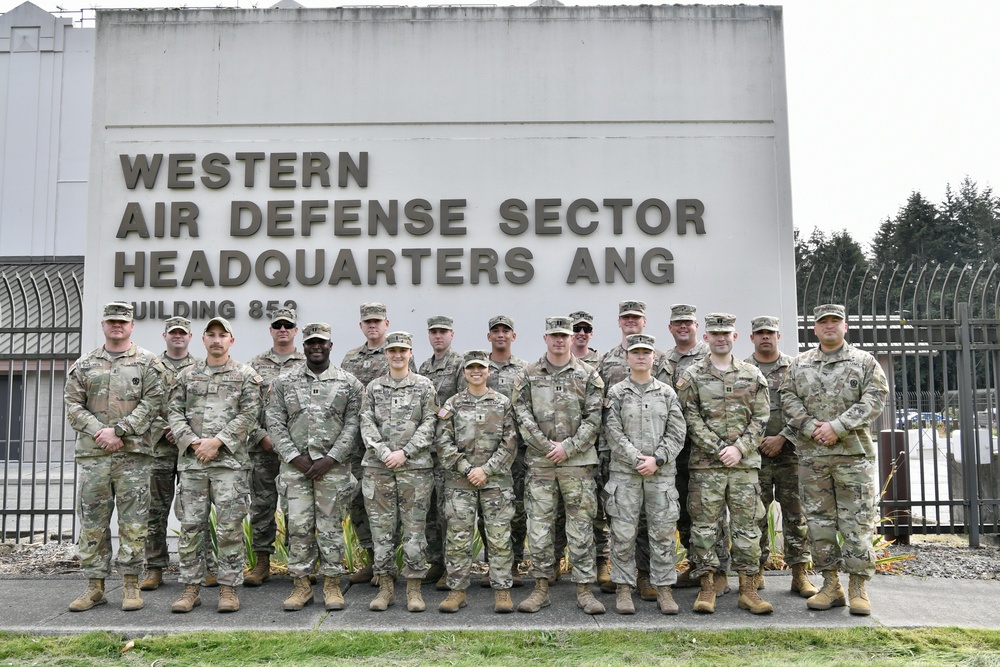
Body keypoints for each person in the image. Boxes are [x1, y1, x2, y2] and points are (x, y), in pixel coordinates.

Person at [780, 304, 888, 616]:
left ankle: (858, 587)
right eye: (823, 322)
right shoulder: (799, 364)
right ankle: (830, 585)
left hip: (853, 457)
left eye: (835, 321)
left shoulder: (864, 362)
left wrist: (837, 427)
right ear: (814, 329)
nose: (829, 326)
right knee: (819, 524)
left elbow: (876, 397)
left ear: (845, 326)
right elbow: (787, 398)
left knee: (857, 522)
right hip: (813, 457)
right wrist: (813, 428)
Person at [64, 302, 164, 612]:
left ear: (132, 326)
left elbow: (153, 403)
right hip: (95, 456)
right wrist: (101, 432)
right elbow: (73, 406)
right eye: (111, 322)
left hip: (133, 457)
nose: (117, 326)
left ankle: (131, 585)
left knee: (133, 523)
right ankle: (95, 587)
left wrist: (119, 430)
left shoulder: (148, 363)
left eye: (122, 322)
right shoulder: (84, 364)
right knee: (93, 523)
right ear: (103, 325)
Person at [675, 313, 772, 615]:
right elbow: (688, 417)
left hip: (743, 466)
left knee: (747, 527)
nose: (720, 337)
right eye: (714, 333)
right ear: (705, 338)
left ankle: (748, 589)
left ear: (735, 337)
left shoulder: (752, 375)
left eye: (726, 333)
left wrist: (740, 448)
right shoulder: (692, 376)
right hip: (707, 466)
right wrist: (719, 449)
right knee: (704, 528)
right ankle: (707, 586)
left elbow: (761, 418)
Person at [266, 323, 364, 612]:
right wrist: (295, 457)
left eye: (322, 342)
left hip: (333, 469)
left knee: (331, 526)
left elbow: (354, 425)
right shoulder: (284, 382)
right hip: (295, 468)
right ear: (304, 347)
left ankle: (332, 584)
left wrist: (331, 458)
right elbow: (274, 421)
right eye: (311, 343)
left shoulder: (349, 383)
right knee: (298, 526)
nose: (316, 347)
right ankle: (302, 586)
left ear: (331, 346)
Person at [168, 317, 262, 614]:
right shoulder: (186, 376)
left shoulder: (246, 375)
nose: (217, 340)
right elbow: (173, 411)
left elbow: (250, 414)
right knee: (191, 527)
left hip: (229, 466)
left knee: (229, 528)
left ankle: (228, 588)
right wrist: (195, 443)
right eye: (211, 335)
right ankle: (191, 588)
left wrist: (217, 441)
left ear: (231, 341)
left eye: (223, 335)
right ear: (203, 340)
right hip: (193, 465)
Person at [513, 316, 606, 615]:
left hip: (577, 465)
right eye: (554, 335)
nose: (560, 340)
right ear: (545, 338)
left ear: (571, 339)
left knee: (581, 528)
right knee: (539, 529)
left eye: (565, 335)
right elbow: (521, 414)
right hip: (541, 465)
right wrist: (546, 445)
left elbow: (595, 419)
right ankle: (541, 588)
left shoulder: (589, 375)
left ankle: (584, 590)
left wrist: (568, 447)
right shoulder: (527, 374)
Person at [604, 334, 686, 615]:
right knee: (623, 534)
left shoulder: (667, 393)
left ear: (654, 358)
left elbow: (677, 433)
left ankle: (664, 589)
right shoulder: (616, 393)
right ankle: (624, 590)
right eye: (635, 352)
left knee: (662, 533)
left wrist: (657, 459)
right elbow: (612, 431)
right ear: (627, 357)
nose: (641, 356)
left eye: (646, 352)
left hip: (660, 475)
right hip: (625, 475)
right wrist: (636, 458)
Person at [596, 300, 671, 598]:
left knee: (653, 521)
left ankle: (647, 576)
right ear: (618, 322)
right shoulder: (606, 360)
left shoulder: (662, 359)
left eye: (636, 317)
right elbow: (603, 411)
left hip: (657, 458)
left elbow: (672, 409)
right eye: (625, 317)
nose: (631, 321)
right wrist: (624, 453)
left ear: (644, 321)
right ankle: (623, 576)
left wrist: (658, 456)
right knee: (623, 520)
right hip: (619, 457)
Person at [360, 331, 438, 612]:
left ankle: (414, 590)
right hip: (378, 469)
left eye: (402, 350)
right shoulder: (373, 388)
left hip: (414, 469)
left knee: (415, 531)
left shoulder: (424, 386)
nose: (397, 355)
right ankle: (385, 589)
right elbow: (365, 423)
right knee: (382, 532)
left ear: (410, 352)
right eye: (392, 350)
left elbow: (430, 423)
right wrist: (384, 453)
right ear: (386, 353)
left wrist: (404, 453)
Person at [435, 350, 517, 613]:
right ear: (464, 372)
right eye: (471, 368)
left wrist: (487, 470)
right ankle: (457, 591)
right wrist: (468, 468)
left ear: (488, 371)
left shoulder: (503, 403)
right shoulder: (453, 404)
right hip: (460, 482)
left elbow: (510, 442)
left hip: (496, 482)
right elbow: (443, 443)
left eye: (481, 367)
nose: (476, 372)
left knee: (499, 537)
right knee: (458, 538)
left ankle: (502, 591)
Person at [341, 302, 415, 586]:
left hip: (398, 448)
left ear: (386, 323)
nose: (372, 326)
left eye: (377, 321)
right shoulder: (350, 359)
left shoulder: (400, 351)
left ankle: (396, 563)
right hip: (362, 447)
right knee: (362, 501)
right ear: (361, 326)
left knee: (400, 505)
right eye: (367, 322)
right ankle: (374, 561)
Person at [140, 317, 215, 592]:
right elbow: (142, 402)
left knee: (194, 511)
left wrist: (184, 433)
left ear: (191, 337)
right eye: (173, 333)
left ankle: (202, 567)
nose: (178, 337)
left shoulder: (200, 368)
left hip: (191, 451)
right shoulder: (150, 367)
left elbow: (207, 407)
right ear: (165, 336)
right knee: (154, 510)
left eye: (183, 333)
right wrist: (166, 427)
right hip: (158, 448)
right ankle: (154, 567)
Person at [745, 315, 817, 598]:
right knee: (755, 516)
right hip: (755, 456)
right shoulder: (744, 369)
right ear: (751, 337)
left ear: (778, 336)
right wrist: (758, 440)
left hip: (791, 455)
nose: (765, 337)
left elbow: (807, 407)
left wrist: (783, 437)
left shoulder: (796, 367)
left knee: (796, 515)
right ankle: (757, 570)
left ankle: (800, 575)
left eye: (770, 332)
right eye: (760, 332)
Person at [666, 303, 729, 595]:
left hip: (706, 452)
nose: (683, 327)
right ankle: (697, 566)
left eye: (688, 323)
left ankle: (720, 572)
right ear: (670, 327)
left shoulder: (711, 357)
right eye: (678, 323)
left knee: (713, 513)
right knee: (686, 512)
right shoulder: (662, 360)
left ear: (696, 328)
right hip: (675, 452)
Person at [244, 308, 305, 587]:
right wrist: (259, 436)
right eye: (277, 325)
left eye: (288, 325)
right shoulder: (253, 365)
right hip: (263, 448)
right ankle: (262, 563)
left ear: (295, 331)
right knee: (262, 506)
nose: (282, 329)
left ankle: (299, 564)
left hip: (296, 452)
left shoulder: (307, 363)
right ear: (270, 330)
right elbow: (245, 407)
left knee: (298, 507)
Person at [479, 315, 528, 588]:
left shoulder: (523, 370)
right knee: (486, 512)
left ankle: (514, 563)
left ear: (513, 336)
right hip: (483, 454)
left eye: (505, 331)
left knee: (517, 510)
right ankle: (492, 564)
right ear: (489, 336)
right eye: (495, 331)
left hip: (517, 453)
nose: (500, 335)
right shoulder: (476, 366)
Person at [417, 315, 464, 589]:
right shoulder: (424, 367)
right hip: (426, 450)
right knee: (430, 510)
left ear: (452, 334)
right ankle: (436, 562)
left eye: (443, 332)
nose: (438, 336)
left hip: (447, 449)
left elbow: (459, 406)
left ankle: (452, 566)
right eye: (434, 332)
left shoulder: (459, 365)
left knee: (449, 511)